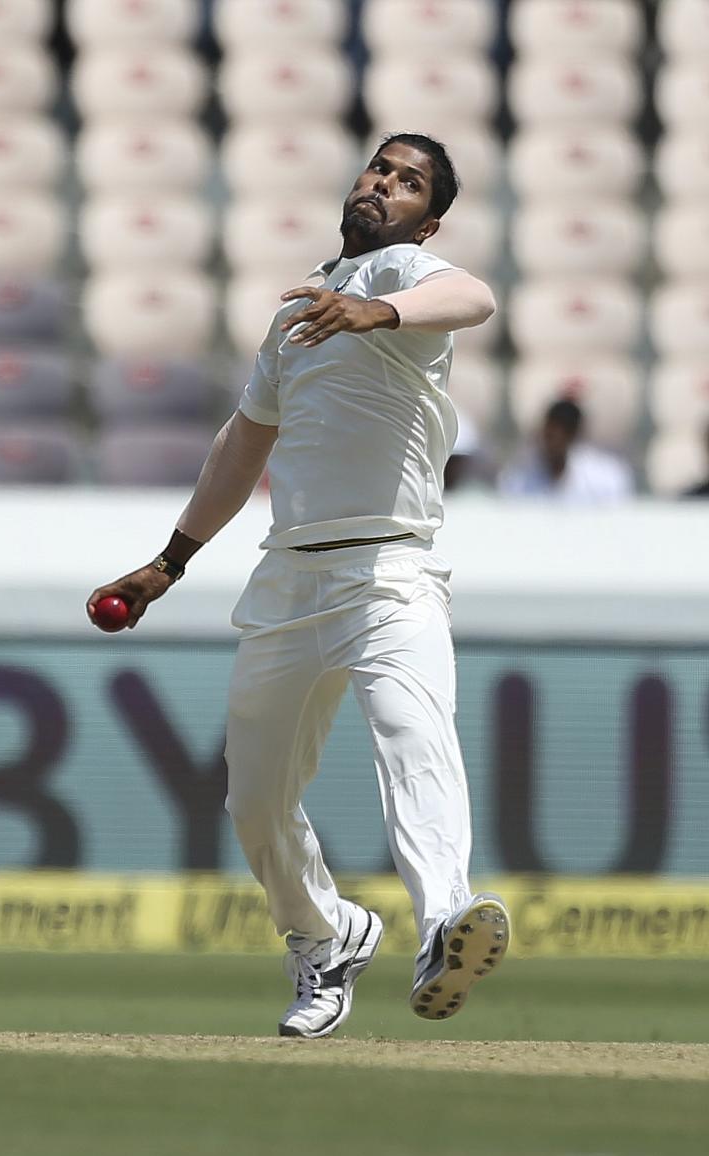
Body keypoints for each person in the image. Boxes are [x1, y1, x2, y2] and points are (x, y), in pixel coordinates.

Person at [88, 133, 511, 1038]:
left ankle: (444, 921)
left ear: (427, 221)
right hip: (289, 577)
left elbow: (475, 297)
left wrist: (381, 315)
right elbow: (244, 443)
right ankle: (326, 937)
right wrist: (171, 560)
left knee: (414, 741)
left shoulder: (409, 277)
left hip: (392, 573)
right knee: (256, 801)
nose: (382, 185)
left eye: (408, 184)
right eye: (378, 169)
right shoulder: (298, 311)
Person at [499, 398, 634, 503]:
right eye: (550, 434)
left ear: (575, 435)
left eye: (563, 433)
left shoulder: (606, 477)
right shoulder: (518, 478)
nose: (554, 441)